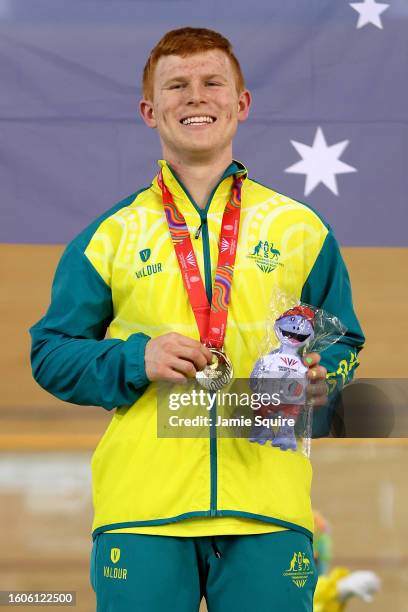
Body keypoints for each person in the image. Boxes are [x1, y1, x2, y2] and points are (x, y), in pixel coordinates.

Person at [30, 27, 365, 611]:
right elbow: (50, 352)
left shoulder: (301, 230)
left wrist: (320, 379)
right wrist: (138, 357)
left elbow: (344, 343)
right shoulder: (112, 235)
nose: (196, 97)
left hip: (268, 507)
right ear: (149, 110)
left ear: (241, 104)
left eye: (213, 83)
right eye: (177, 86)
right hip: (143, 511)